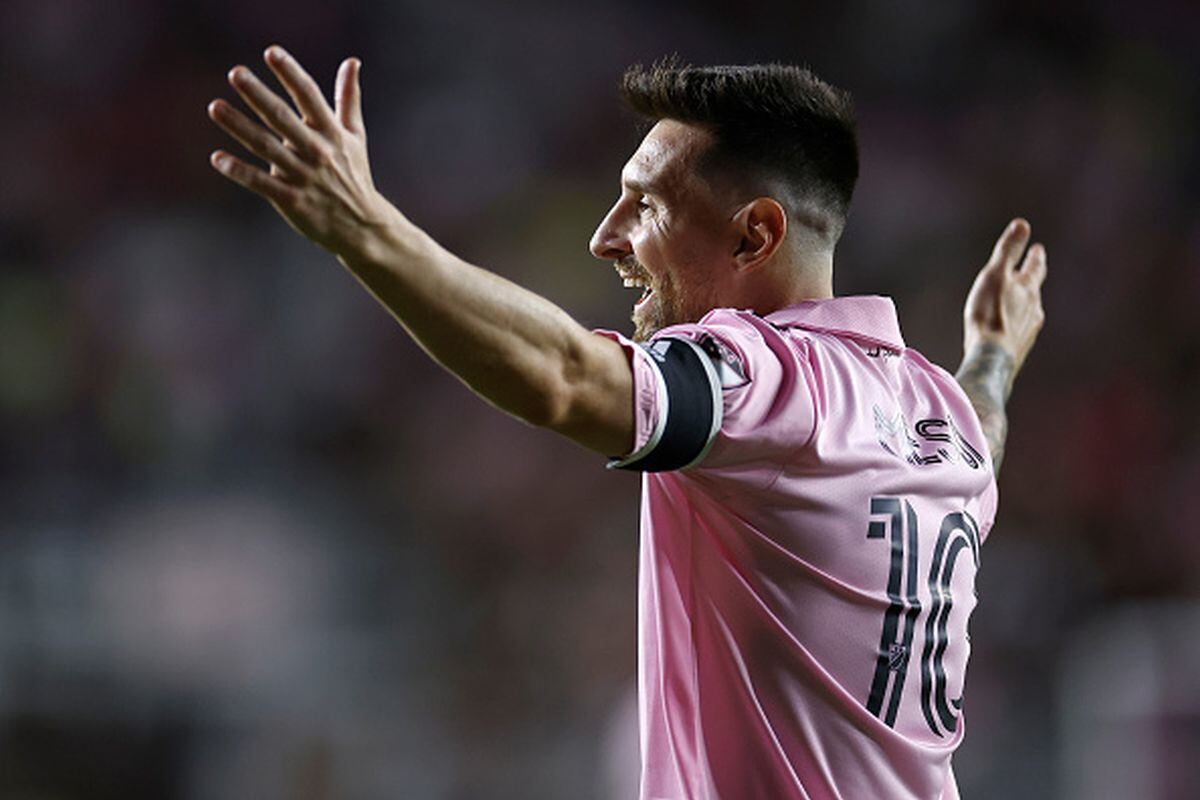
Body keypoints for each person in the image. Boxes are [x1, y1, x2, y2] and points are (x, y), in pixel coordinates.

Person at [207, 47, 1046, 800]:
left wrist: (365, 231)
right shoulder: (938, 410)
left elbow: (567, 380)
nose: (606, 238)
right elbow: (986, 423)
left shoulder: (771, 380)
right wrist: (993, 353)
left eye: (643, 205)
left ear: (756, 234)